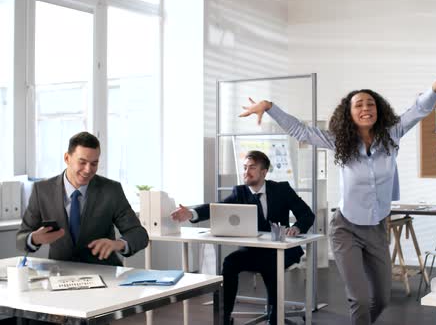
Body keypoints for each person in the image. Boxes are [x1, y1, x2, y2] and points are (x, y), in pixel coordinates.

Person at [240, 70, 436, 324]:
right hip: (346, 228)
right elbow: (302, 131)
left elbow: (416, 111)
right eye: (358, 104)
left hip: (377, 229)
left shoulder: (392, 136)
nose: (365, 108)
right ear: (348, 114)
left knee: (382, 298)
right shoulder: (340, 142)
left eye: (370, 103)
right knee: (359, 299)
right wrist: (270, 107)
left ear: (378, 110)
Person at [170, 150, 315, 325]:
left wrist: (297, 227)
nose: (246, 172)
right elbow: (217, 207)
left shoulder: (281, 189)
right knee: (230, 263)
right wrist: (191, 213)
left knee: (272, 265)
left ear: (264, 172)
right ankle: (224, 318)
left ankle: (275, 318)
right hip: (253, 251)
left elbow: (307, 214)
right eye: (245, 167)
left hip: (281, 250)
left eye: (252, 168)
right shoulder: (240, 192)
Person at [16, 131, 149, 266]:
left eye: (94, 164)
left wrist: (118, 244)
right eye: (82, 162)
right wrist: (33, 239)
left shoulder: (111, 190)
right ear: (67, 158)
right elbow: (21, 239)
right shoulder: (42, 190)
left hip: (104, 274)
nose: (88, 170)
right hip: (60, 274)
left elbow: (139, 234)